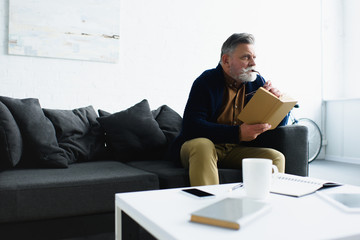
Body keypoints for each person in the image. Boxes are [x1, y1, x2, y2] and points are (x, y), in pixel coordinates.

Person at [170, 33, 289, 187]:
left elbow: (278, 124)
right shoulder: (205, 82)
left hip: (234, 150)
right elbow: (192, 126)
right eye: (246, 57)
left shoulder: (257, 81)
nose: (253, 63)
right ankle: (209, 207)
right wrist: (238, 133)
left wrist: (276, 103)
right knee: (203, 145)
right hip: (198, 148)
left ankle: (268, 205)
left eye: (254, 57)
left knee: (275, 158)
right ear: (226, 60)